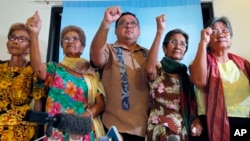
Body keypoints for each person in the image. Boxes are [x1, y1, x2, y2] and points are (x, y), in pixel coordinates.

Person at [26, 11, 106, 141]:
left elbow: (100, 104)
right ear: (62, 46)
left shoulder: (91, 73)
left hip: (81, 127)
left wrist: (82, 118)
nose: (70, 41)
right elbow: (38, 69)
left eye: (75, 39)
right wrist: (34, 34)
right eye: (66, 39)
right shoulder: (55, 69)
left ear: (82, 47)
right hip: (57, 129)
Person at [90, 6, 150, 141]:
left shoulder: (148, 53)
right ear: (116, 31)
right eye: (123, 23)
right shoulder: (109, 49)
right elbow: (96, 59)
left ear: (139, 31)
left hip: (144, 128)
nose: (128, 25)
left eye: (133, 23)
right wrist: (106, 23)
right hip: (113, 127)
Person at [189, 16, 250, 141]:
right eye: (214, 31)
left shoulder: (244, 64)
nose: (220, 34)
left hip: (243, 122)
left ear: (230, 37)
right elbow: (199, 81)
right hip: (210, 120)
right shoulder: (200, 62)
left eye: (225, 30)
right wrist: (202, 42)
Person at [145, 15, 202, 141]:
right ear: (164, 48)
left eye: (182, 44)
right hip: (159, 129)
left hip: (182, 130)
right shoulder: (158, 68)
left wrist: (196, 120)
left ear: (185, 51)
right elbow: (149, 69)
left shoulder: (186, 76)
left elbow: (192, 104)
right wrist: (160, 31)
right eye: (173, 42)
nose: (178, 46)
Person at [0, 22, 45, 140]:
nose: (15, 41)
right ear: (7, 43)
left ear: (29, 48)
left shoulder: (34, 70)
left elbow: (38, 103)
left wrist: (37, 134)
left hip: (21, 129)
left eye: (22, 39)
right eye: (13, 37)